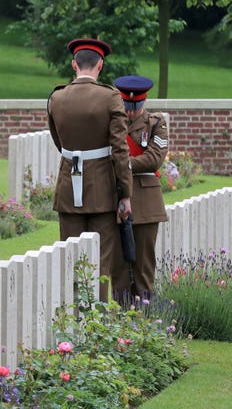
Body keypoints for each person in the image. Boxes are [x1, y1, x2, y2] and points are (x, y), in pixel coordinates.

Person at [47, 38, 132, 301]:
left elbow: (58, 141)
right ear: (100, 65)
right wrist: (125, 193)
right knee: (101, 261)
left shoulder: (57, 97)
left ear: (74, 64)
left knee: (70, 258)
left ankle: (71, 317)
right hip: (101, 190)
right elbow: (120, 149)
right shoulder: (110, 97)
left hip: (68, 184)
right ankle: (98, 319)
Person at [112, 75, 168, 300]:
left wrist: (123, 164)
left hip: (146, 202)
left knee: (144, 267)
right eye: (127, 106)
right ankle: (120, 319)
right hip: (115, 199)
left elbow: (154, 158)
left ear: (142, 102)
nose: (130, 112)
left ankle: (145, 318)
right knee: (118, 269)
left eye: (135, 107)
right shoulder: (113, 122)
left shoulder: (156, 123)